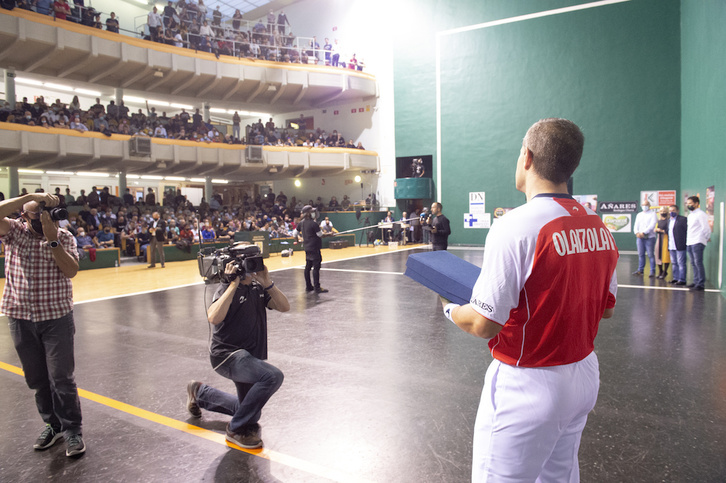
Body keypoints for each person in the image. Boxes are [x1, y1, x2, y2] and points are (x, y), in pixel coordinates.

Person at [443, 118, 618, 481]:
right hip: (584, 375)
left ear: (527, 157)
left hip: (528, 383)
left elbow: (483, 323)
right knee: (559, 476)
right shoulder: (598, 226)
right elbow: (605, 310)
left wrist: (449, 309)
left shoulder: (515, 226)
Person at [0, 192, 86, 457]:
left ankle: (72, 430)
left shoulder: (64, 237)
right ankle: (53, 425)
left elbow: (71, 271)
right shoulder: (14, 232)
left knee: (62, 378)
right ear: (24, 216)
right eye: (38, 213)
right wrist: (29, 197)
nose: (45, 218)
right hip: (20, 317)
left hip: (56, 317)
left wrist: (52, 241)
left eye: (48, 212)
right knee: (37, 379)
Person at [186, 253, 290, 449]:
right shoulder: (226, 288)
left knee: (251, 412)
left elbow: (284, 307)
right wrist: (232, 284)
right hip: (227, 356)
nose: (253, 265)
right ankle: (236, 429)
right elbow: (213, 318)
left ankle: (200, 393)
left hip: (248, 356)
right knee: (272, 376)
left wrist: (267, 282)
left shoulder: (258, 288)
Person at [300, 205, 328, 293]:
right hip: (315, 248)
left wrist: (297, 240)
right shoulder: (313, 223)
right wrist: (329, 234)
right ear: (308, 213)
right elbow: (320, 235)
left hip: (307, 248)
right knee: (316, 268)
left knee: (308, 267)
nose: (314, 213)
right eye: (312, 212)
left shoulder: (301, 223)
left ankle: (308, 286)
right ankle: (317, 287)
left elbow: (295, 233)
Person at [685, 195, 710, 291]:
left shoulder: (701, 214)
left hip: (698, 241)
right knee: (693, 263)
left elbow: (706, 228)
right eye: (687, 203)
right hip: (690, 242)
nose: (689, 205)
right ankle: (695, 281)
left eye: (690, 203)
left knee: (698, 262)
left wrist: (706, 238)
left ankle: (700, 283)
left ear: (696, 203)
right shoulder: (690, 215)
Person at [632, 200, 656, 277]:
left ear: (649, 205)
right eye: (643, 205)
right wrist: (636, 233)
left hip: (650, 237)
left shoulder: (653, 214)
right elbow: (636, 225)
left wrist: (644, 232)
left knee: (650, 255)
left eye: (646, 204)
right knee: (641, 254)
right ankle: (640, 270)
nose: (644, 206)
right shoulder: (639, 215)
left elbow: (652, 225)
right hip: (639, 238)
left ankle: (652, 271)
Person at [667, 204, 688, 286]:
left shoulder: (683, 220)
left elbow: (686, 231)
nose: (671, 212)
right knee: (674, 263)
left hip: (680, 245)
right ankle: (675, 278)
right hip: (671, 245)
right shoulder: (669, 221)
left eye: (673, 210)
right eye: (670, 211)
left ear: (678, 211)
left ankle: (682, 279)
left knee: (681, 263)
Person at [654, 206, 671, 279]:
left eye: (664, 211)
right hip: (659, 239)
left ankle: (665, 271)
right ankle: (660, 271)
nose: (663, 213)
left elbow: (669, 230)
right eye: (661, 211)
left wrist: (662, 231)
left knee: (666, 255)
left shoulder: (669, 221)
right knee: (658, 254)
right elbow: (655, 228)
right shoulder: (658, 220)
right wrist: (656, 229)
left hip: (666, 239)